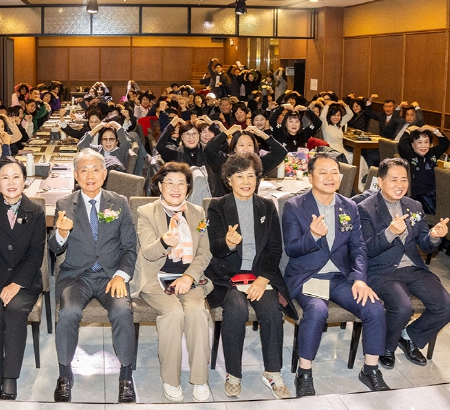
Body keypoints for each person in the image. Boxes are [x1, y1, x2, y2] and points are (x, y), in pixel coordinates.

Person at [282, 153, 389, 397]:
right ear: (310, 177)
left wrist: (359, 279)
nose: (330, 177)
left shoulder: (349, 206)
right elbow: (291, 249)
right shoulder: (294, 206)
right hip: (308, 277)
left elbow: (358, 248)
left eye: (334, 172)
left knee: (374, 307)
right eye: (323, 172)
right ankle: (304, 373)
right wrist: (312, 236)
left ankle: (370, 369)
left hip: (339, 277)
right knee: (317, 310)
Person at [205, 153, 296, 399]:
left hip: (259, 275)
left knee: (271, 311)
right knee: (236, 310)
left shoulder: (266, 206)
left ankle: (272, 373)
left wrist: (263, 279)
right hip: (228, 276)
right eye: (239, 176)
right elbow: (215, 249)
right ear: (229, 180)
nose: (246, 181)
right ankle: (233, 374)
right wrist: (228, 243)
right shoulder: (217, 206)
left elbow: (274, 248)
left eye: (251, 176)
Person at [49, 149, 137, 403]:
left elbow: (129, 246)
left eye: (95, 170)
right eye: (84, 171)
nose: (90, 176)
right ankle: (64, 375)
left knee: (122, 312)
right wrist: (61, 234)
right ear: (76, 175)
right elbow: (54, 249)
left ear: (104, 173)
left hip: (111, 275)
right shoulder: (64, 204)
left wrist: (121, 275)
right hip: (77, 276)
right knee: (68, 313)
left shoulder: (119, 202)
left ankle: (126, 376)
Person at [130, 162, 213, 402]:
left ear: (188, 188)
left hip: (187, 277)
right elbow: (148, 252)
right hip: (155, 277)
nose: (175, 189)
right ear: (159, 186)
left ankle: (200, 379)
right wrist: (164, 242)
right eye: (170, 183)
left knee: (197, 312)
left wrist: (189, 277)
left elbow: (204, 252)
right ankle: (170, 379)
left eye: (181, 184)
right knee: (174, 313)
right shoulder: (146, 212)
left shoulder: (197, 213)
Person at [358, 158, 450, 369]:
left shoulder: (414, 205)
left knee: (445, 305)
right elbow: (367, 249)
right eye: (394, 179)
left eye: (404, 179)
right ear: (380, 181)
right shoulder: (365, 209)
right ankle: (386, 347)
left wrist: (434, 236)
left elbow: (424, 244)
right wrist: (390, 233)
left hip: (413, 267)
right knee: (402, 307)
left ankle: (409, 336)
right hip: (382, 270)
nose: (400, 185)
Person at [0, 157, 46, 400]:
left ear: (25, 180)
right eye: (4, 178)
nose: (11, 182)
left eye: (16, 177)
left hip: (24, 279)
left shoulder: (35, 211)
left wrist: (17, 284)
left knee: (16, 311)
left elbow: (36, 255)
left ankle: (10, 376)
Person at [397, 126, 450, 214]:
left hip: (435, 192)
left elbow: (445, 143)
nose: (423, 146)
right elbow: (401, 145)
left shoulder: (432, 153)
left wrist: (434, 130)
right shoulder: (410, 155)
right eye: (419, 142)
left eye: (426, 142)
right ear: (412, 144)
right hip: (420, 194)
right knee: (440, 212)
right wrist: (409, 130)